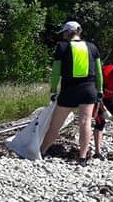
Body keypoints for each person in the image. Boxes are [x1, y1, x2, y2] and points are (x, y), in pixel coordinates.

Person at [40, 21, 103, 166]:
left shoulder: (62, 47)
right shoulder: (92, 47)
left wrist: (53, 90)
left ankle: (42, 151)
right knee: (85, 122)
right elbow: (99, 73)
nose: (62, 35)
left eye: (63, 32)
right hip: (89, 89)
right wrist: (99, 90)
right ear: (79, 32)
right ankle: (82, 157)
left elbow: (55, 73)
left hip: (69, 90)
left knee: (56, 124)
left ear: (68, 33)